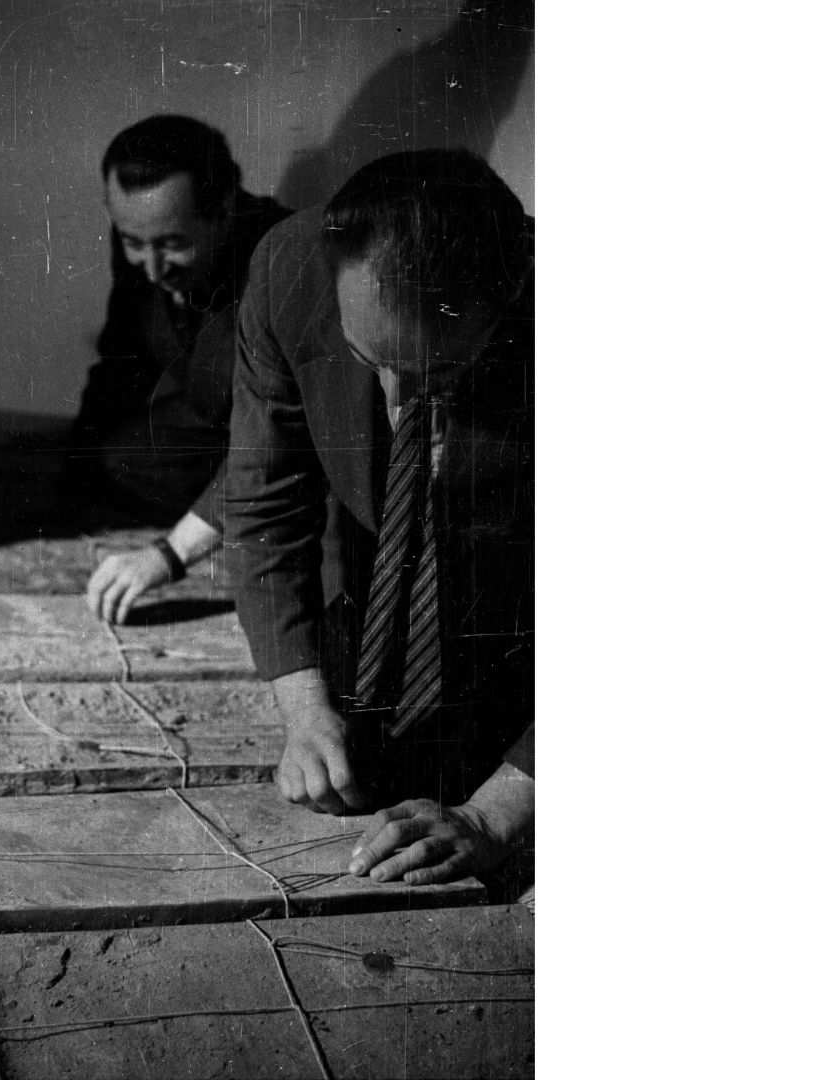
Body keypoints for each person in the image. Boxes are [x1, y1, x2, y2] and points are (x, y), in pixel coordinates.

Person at [224, 149, 535, 885]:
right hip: (380, 620)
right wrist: (302, 710)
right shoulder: (289, 270)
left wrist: (497, 812)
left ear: (513, 288)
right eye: (372, 357)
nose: (399, 401)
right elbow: (265, 500)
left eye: (439, 371)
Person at [67, 116, 291, 623]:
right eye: (132, 243)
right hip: (203, 430)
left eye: (172, 244)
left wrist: (168, 555)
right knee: (110, 456)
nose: (150, 268)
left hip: (275, 449)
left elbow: (273, 440)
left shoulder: (284, 260)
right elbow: (118, 367)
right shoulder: (145, 237)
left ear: (225, 208)